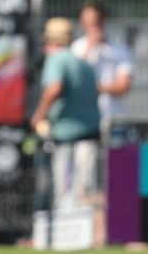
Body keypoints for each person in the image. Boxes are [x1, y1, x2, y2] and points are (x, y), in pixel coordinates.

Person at [30, 18, 101, 234]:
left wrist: (38, 116)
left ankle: (64, 234)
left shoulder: (56, 60)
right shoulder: (84, 64)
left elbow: (54, 89)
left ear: (51, 42)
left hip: (65, 136)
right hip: (90, 133)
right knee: (86, 186)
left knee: (62, 187)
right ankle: (88, 234)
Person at [71, 1, 133, 133]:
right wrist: (89, 48)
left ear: (103, 20)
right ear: (82, 22)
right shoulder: (76, 48)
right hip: (82, 120)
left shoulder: (120, 49)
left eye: (96, 21)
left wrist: (93, 87)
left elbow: (124, 86)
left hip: (112, 117)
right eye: (88, 21)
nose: (93, 25)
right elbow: (74, 80)